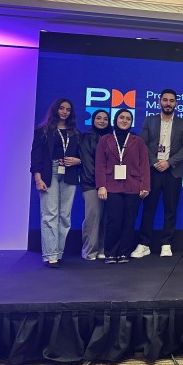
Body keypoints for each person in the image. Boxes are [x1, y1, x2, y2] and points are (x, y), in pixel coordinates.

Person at [132, 89, 183, 258]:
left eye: (171, 101)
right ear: (159, 102)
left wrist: (168, 162)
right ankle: (144, 244)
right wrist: (154, 162)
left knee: (170, 209)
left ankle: (166, 243)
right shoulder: (150, 120)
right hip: (153, 170)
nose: (168, 103)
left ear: (176, 103)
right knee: (148, 208)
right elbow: (142, 144)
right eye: (165, 100)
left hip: (173, 171)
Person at [30, 98, 82, 268]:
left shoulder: (75, 132)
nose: (64, 112)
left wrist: (78, 161)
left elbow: (82, 155)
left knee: (65, 216)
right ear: (55, 109)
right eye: (61, 108)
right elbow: (36, 157)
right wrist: (38, 178)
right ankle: (51, 255)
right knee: (50, 214)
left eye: (68, 109)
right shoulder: (42, 131)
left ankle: (58, 253)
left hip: (70, 173)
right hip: (49, 172)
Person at [96, 109, 150, 264]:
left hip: (133, 186)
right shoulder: (105, 140)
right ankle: (110, 253)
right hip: (111, 186)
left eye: (128, 118)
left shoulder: (138, 141)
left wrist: (145, 186)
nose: (124, 121)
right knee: (113, 220)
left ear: (131, 122)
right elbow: (100, 164)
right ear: (116, 119)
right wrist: (101, 186)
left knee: (129, 221)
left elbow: (144, 165)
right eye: (122, 117)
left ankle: (124, 252)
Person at [79, 109, 111, 261]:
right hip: (91, 183)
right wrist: (99, 183)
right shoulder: (86, 137)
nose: (102, 121)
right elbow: (88, 163)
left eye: (105, 119)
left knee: (107, 217)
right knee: (94, 216)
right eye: (99, 118)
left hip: (110, 184)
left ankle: (103, 248)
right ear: (93, 120)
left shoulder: (112, 137)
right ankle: (89, 250)